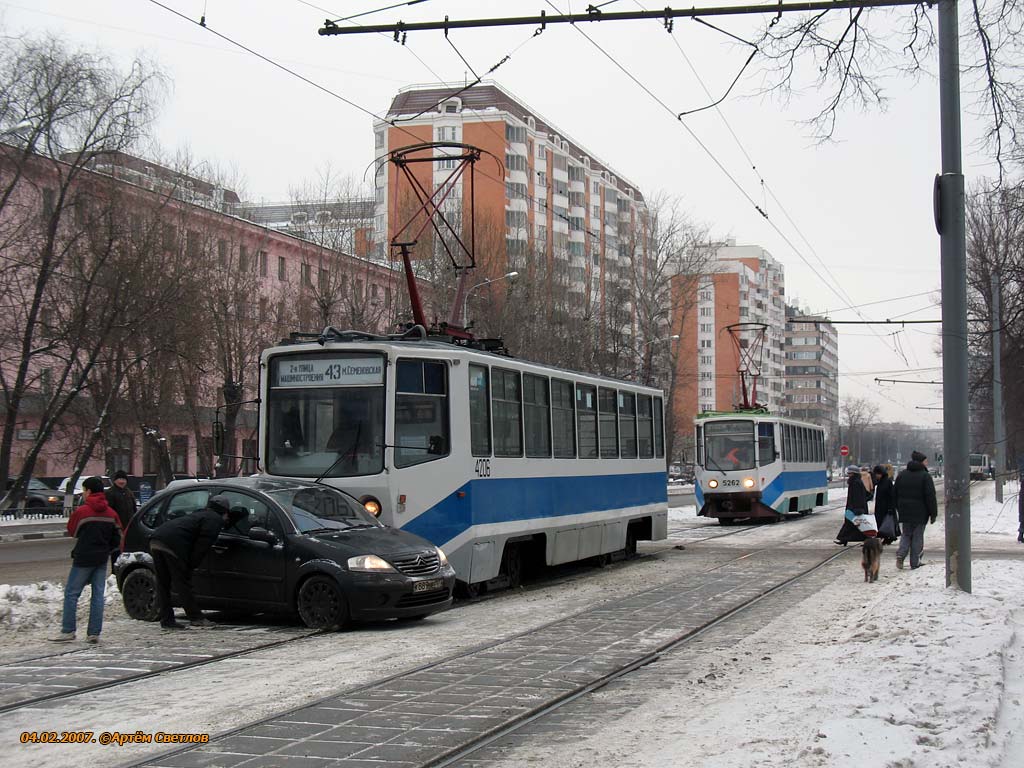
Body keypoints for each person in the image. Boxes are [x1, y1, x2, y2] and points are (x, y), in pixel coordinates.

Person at [149, 494, 239, 629]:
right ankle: (196, 617)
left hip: (156, 538)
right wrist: (190, 566)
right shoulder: (214, 520)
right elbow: (202, 546)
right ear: (224, 511)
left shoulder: (201, 514)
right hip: (173, 544)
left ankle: (167, 620)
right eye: (227, 514)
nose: (227, 519)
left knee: (163, 583)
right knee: (183, 583)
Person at [50, 476, 121, 643]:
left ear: (88, 491)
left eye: (84, 490)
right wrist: (107, 549)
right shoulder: (111, 513)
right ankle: (94, 633)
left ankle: (68, 630)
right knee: (97, 595)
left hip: (83, 558)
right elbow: (118, 536)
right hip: (102, 558)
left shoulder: (82, 512)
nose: (83, 493)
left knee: (71, 593)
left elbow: (72, 530)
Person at [893, 450, 939, 569]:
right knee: (917, 536)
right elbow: (930, 496)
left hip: (904, 511)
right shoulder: (925, 476)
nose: (927, 463)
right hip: (920, 512)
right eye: (925, 461)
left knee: (906, 534)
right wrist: (933, 513)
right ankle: (915, 562)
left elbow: (894, 493)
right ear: (921, 462)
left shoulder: (902, 475)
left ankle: (901, 554)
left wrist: (898, 507)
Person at [105, 470, 136, 572]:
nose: (122, 481)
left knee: (128, 552)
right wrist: (114, 526)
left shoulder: (129, 492)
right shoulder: (110, 493)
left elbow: (134, 509)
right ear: (115, 481)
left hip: (128, 527)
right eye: (119, 479)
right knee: (117, 552)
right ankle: (115, 572)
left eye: (123, 479)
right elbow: (109, 511)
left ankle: (125, 570)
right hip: (116, 528)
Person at [835, 464, 871, 545]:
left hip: (855, 507)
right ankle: (844, 539)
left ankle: (844, 539)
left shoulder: (855, 482)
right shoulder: (855, 481)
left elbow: (857, 497)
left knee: (856, 524)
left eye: (850, 473)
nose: (848, 475)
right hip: (855, 507)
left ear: (854, 473)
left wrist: (857, 508)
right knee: (853, 524)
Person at [872, 464, 899, 545]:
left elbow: (891, 496)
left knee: (886, 523)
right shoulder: (880, 482)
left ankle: (888, 537)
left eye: (877, 474)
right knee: (882, 523)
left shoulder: (887, 482)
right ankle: (885, 537)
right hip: (880, 507)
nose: (876, 476)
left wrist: (891, 507)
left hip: (886, 507)